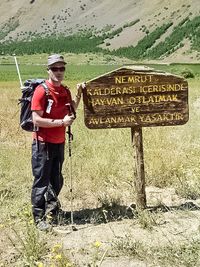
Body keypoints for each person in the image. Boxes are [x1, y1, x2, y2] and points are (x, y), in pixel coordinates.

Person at [31, 54, 85, 231]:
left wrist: (79, 95)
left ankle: (52, 210)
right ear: (48, 70)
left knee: (56, 179)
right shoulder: (41, 91)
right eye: (55, 68)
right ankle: (39, 218)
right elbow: (37, 120)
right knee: (41, 181)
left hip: (59, 141)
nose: (59, 72)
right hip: (43, 144)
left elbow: (71, 109)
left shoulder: (65, 91)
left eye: (62, 68)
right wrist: (61, 123)